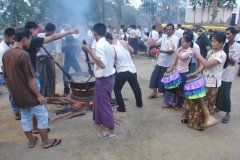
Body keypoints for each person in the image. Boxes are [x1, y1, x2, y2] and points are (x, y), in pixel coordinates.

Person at [3, 28, 61, 149]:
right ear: (24, 40)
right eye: (29, 39)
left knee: (25, 117)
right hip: (28, 93)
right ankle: (45, 141)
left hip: (17, 94)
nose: (30, 42)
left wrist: (13, 90)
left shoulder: (6, 54)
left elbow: (5, 76)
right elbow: (30, 79)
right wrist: (39, 95)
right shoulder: (24, 55)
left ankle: (31, 141)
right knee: (42, 115)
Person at [25, 21, 78, 133]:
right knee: (40, 85)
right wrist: (69, 31)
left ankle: (44, 102)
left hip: (48, 61)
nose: (50, 34)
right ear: (46, 31)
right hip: (38, 62)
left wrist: (55, 60)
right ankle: (40, 110)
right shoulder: (37, 37)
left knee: (49, 82)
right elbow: (53, 37)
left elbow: (56, 50)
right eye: (49, 33)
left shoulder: (49, 39)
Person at [184, 31, 227, 130]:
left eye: (214, 42)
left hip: (212, 84)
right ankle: (195, 122)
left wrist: (197, 54)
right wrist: (195, 73)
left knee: (205, 103)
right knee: (196, 102)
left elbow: (207, 64)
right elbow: (204, 66)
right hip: (204, 80)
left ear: (221, 43)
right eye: (212, 41)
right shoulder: (211, 52)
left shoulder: (222, 54)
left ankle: (203, 123)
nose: (212, 43)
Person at [82, 23, 116, 138]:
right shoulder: (106, 43)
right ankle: (100, 120)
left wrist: (89, 51)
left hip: (104, 79)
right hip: (109, 78)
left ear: (95, 33)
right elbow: (104, 60)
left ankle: (110, 130)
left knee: (105, 104)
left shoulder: (99, 46)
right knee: (99, 101)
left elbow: (101, 64)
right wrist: (91, 60)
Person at [105, 33, 143, 112]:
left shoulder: (110, 48)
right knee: (136, 88)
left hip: (122, 71)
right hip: (132, 68)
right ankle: (139, 104)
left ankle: (122, 108)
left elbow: (110, 63)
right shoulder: (122, 41)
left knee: (117, 89)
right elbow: (132, 50)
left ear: (108, 40)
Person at [148, 23, 179, 99]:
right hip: (160, 61)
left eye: (170, 29)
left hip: (169, 62)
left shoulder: (175, 38)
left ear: (173, 30)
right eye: (167, 29)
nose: (168, 31)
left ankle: (166, 94)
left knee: (166, 78)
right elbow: (157, 43)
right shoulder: (164, 36)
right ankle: (154, 92)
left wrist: (159, 50)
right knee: (154, 76)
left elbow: (171, 51)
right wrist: (151, 44)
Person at [216, 27, 240, 124]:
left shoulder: (237, 46)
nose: (227, 35)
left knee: (225, 92)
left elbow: (233, 60)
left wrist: (223, 55)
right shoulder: (224, 44)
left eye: (228, 34)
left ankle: (227, 113)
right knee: (218, 90)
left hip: (229, 73)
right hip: (220, 71)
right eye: (226, 34)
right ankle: (217, 107)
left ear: (234, 35)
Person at [164, 34, 194, 109]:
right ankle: (170, 102)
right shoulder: (180, 49)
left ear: (189, 43)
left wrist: (174, 50)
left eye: (183, 42)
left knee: (179, 89)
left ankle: (179, 104)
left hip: (183, 72)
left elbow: (182, 58)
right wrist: (171, 67)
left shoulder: (190, 51)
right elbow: (176, 59)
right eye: (181, 42)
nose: (182, 43)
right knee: (171, 87)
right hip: (176, 71)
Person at [0, 28, 21, 120]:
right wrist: (8, 78)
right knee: (13, 92)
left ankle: (17, 110)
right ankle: (16, 112)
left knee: (14, 92)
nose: (14, 40)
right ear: (6, 37)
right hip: (6, 73)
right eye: (12, 38)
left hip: (10, 72)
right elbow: (2, 66)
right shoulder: (2, 49)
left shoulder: (8, 45)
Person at [37, 23, 57, 97]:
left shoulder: (54, 39)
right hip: (39, 60)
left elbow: (54, 51)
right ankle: (42, 95)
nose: (53, 34)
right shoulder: (39, 36)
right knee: (41, 78)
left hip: (48, 59)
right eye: (52, 32)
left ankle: (51, 95)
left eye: (53, 32)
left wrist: (55, 58)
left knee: (51, 77)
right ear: (47, 31)